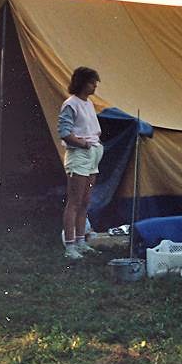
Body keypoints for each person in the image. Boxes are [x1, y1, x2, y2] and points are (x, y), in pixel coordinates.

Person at [58, 66, 103, 260]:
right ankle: (70, 247)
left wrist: (94, 145)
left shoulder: (89, 104)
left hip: (92, 155)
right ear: (82, 82)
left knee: (85, 201)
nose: (95, 86)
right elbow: (65, 132)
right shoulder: (71, 104)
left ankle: (81, 242)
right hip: (79, 155)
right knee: (75, 201)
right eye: (92, 82)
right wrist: (83, 144)